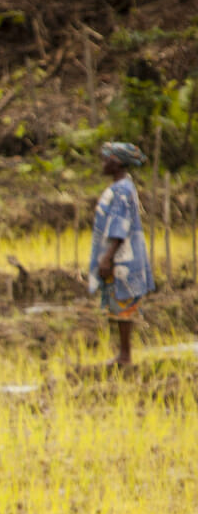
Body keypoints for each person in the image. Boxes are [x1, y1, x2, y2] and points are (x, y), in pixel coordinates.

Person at [88, 142, 155, 368]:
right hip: (117, 256)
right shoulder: (120, 187)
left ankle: (125, 356)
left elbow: (120, 225)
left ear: (115, 163)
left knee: (124, 306)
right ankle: (123, 354)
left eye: (105, 159)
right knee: (118, 306)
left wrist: (108, 257)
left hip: (121, 258)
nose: (102, 163)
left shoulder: (122, 190)